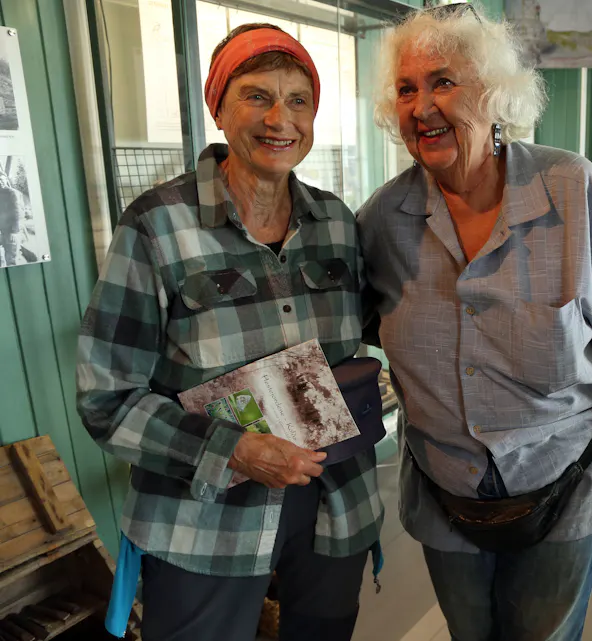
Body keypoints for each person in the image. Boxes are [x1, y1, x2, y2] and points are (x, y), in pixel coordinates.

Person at [358, 6, 592, 640]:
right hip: (442, 491)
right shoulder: (383, 221)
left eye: (443, 81)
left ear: (492, 92)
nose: (422, 105)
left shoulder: (573, 193)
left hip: (564, 487)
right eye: (406, 89)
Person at [76, 24, 383, 641]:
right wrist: (234, 450)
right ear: (219, 108)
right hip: (204, 514)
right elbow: (106, 400)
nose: (280, 118)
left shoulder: (336, 224)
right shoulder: (156, 226)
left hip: (333, 500)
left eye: (299, 99)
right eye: (256, 96)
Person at [0, 173, 26, 267]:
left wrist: (14, 231)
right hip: (4, 231)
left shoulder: (12, 193)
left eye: (1, 179)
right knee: (7, 256)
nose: (0, 182)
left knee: (12, 258)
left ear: (6, 179)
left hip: (12, 232)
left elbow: (17, 212)